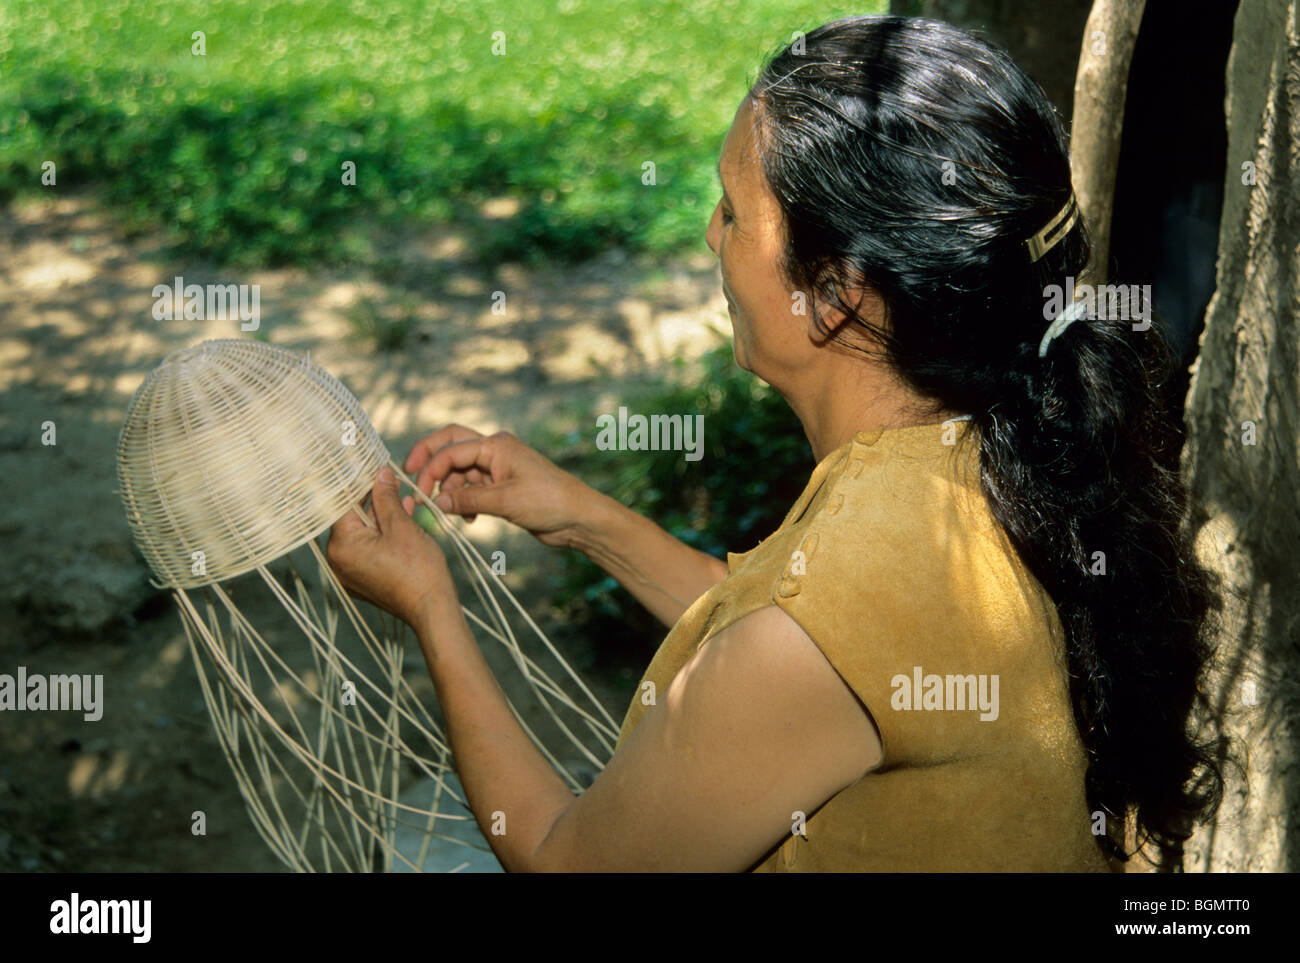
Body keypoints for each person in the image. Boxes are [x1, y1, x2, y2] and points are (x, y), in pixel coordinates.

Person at [326, 14, 1223, 872]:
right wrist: (580, 516)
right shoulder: (982, 446)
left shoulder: (860, 582)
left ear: (835, 295)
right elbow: (780, 645)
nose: (710, 235)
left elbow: (568, 859)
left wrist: (432, 607)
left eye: (732, 213)